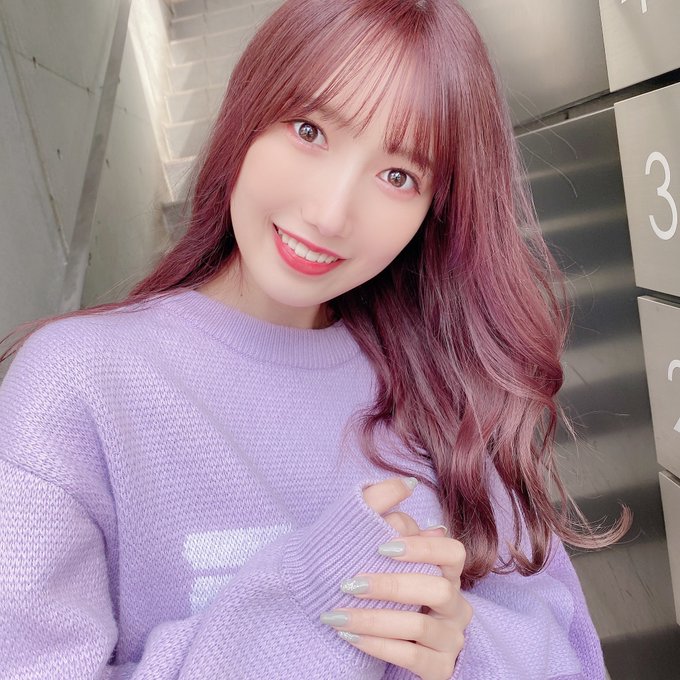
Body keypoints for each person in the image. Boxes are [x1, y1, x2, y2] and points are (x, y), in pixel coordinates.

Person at [0, 0, 629, 678]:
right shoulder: (76, 384)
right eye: (310, 130)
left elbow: (567, 656)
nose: (329, 214)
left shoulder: (444, 388)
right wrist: (301, 609)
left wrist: (457, 651)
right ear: (249, 111)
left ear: (434, 211)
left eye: (398, 176)